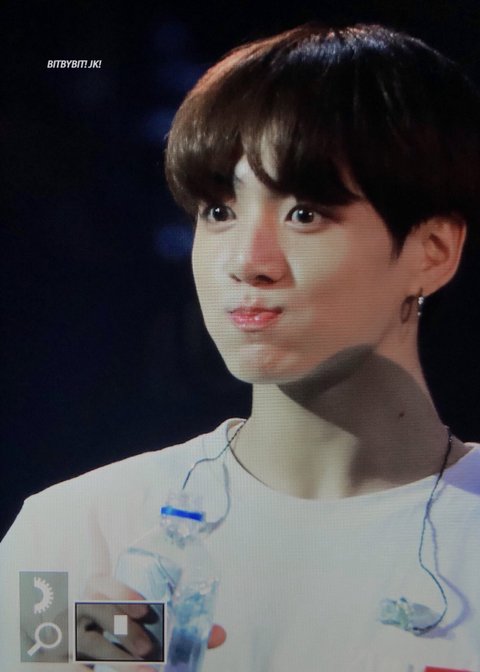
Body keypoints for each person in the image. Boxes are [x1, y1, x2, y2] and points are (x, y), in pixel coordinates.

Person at [2, 22, 480, 672]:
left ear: (434, 252)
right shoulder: (80, 535)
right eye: (219, 212)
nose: (247, 261)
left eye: (305, 213)